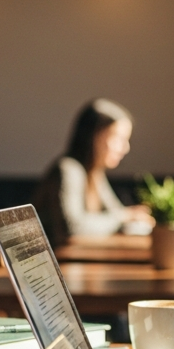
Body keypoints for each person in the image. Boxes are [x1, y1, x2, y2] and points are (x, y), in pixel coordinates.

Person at [33, 98, 153, 243]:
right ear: (93, 136)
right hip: (54, 261)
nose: (125, 148)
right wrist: (124, 217)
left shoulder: (95, 172)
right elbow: (73, 228)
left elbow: (116, 213)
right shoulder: (68, 169)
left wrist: (129, 216)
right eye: (118, 138)